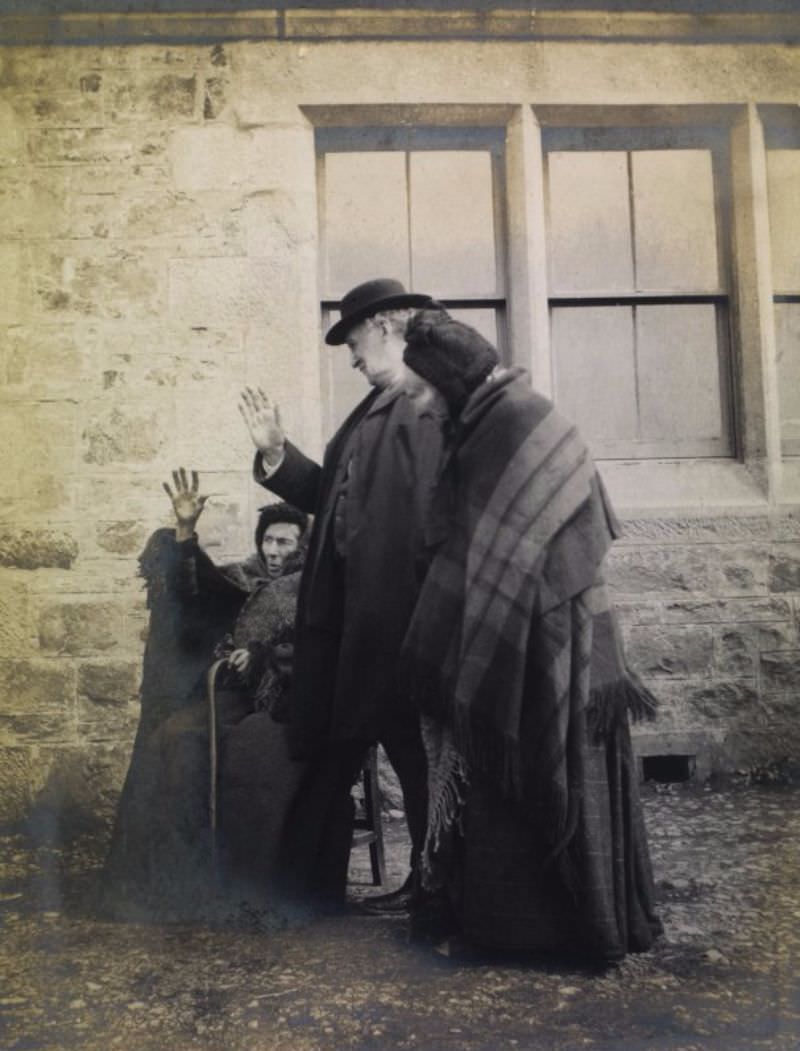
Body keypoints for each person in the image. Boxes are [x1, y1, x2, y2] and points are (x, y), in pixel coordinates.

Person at [400, 310, 662, 961]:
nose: (419, 402)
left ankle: (571, 931)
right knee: (505, 776)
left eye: (423, 388)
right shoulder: (479, 423)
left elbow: (540, 541)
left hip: (555, 626)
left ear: (449, 380)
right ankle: (509, 926)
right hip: (520, 618)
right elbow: (468, 547)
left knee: (551, 759)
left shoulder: (513, 422)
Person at [238, 278, 443, 914]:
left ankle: (435, 881)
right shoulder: (378, 406)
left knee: (416, 751)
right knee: (390, 745)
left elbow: (422, 523)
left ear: (386, 326)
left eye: (354, 340)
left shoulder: (421, 402)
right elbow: (337, 503)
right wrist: (277, 454)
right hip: (363, 623)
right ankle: (394, 879)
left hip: (402, 619)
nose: (351, 355)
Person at [103, 469, 309, 922]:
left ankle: (246, 885)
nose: (274, 552)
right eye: (269, 541)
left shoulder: (311, 593)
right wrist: (184, 530)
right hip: (235, 698)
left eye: (285, 543)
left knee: (250, 756)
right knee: (175, 740)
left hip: (287, 707)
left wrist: (264, 658)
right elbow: (192, 597)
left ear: (303, 548)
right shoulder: (244, 584)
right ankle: (179, 878)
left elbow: (313, 653)